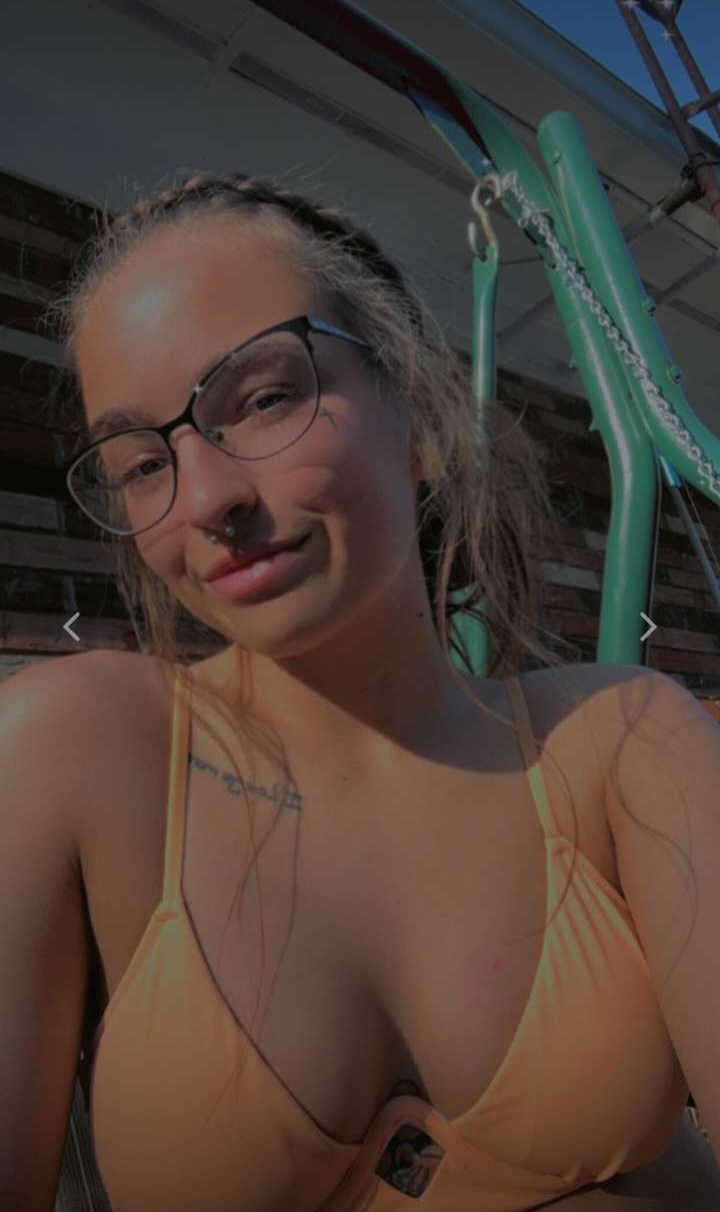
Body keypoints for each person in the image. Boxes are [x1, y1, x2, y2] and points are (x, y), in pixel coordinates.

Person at [1, 171, 719, 1212]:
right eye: (142, 464)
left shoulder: (621, 740)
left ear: (422, 419)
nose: (207, 500)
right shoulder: (74, 753)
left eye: (264, 399)